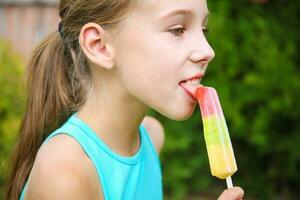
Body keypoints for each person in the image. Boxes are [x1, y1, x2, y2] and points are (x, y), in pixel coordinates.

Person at [5, 0, 244, 199]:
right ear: (99, 46)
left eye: (203, 30)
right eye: (178, 29)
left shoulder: (151, 137)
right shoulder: (65, 172)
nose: (207, 51)